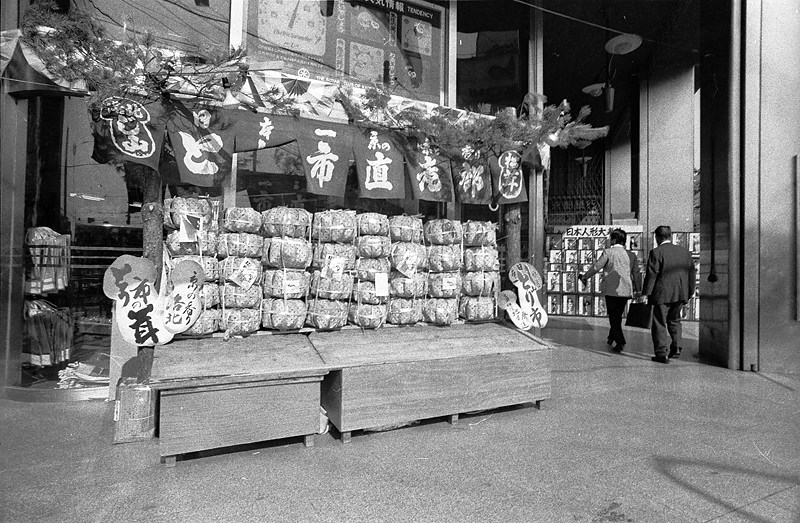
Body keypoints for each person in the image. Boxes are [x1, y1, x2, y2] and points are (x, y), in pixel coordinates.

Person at [579, 229, 641, 352]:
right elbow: (636, 273)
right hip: (625, 289)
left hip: (611, 289)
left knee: (613, 316)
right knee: (617, 315)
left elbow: (597, 267)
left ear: (614, 239)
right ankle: (611, 337)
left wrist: (585, 276)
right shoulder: (631, 255)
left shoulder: (608, 252)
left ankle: (620, 341)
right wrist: (638, 290)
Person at [642, 225, 696, 364]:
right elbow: (691, 273)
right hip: (680, 292)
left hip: (661, 294)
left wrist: (646, 293)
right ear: (670, 236)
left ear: (657, 237)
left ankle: (661, 353)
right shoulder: (685, 252)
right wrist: (689, 292)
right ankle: (677, 346)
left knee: (659, 322)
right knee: (675, 319)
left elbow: (651, 275)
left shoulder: (656, 252)